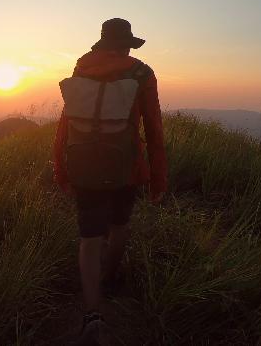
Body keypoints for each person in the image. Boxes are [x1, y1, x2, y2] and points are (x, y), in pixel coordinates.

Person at [53, 18, 167, 344]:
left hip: (83, 163)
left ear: (101, 43)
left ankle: (92, 313)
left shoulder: (82, 67)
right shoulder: (142, 73)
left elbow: (66, 124)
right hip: (125, 167)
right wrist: (158, 179)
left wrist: (61, 168)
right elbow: (154, 130)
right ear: (127, 45)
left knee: (89, 237)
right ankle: (111, 278)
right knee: (118, 226)